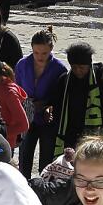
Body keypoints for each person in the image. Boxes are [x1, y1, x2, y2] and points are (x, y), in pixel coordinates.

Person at [52, 42, 103, 158]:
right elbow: (58, 107)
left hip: (96, 136)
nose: (78, 71)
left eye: (82, 67)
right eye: (74, 67)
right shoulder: (65, 81)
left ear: (89, 64)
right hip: (71, 135)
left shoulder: (102, 78)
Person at [14, 29, 67, 174]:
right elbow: (15, 90)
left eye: (44, 53)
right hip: (27, 117)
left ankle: (44, 190)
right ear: (31, 48)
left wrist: (48, 106)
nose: (40, 57)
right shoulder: (22, 65)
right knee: (24, 158)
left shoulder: (59, 68)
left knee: (47, 159)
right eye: (36, 52)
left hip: (47, 119)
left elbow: (60, 96)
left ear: (51, 49)